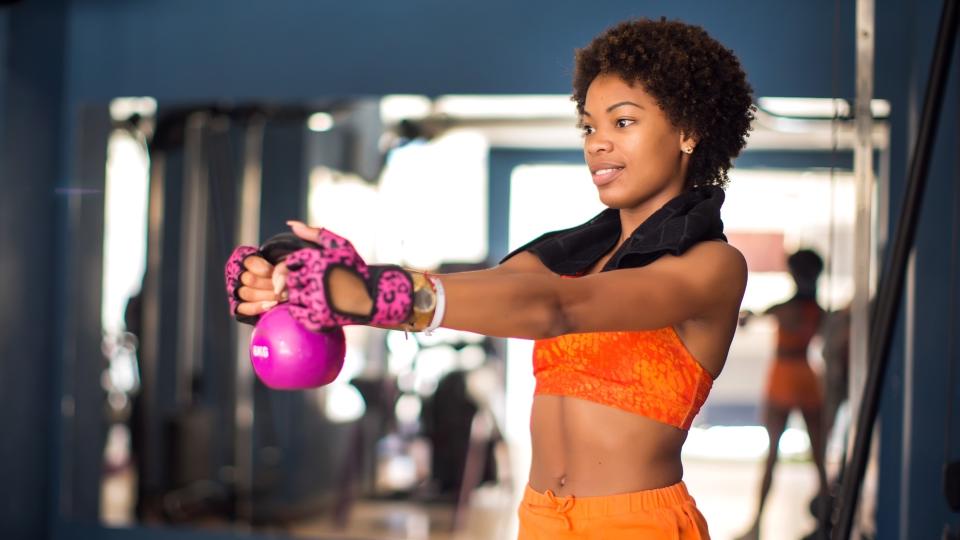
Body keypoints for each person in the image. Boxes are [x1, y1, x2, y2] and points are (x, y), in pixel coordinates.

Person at [225, 18, 754, 539]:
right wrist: (315, 283)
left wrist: (366, 293)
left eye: (623, 122)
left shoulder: (712, 265)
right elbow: (484, 293)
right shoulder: (572, 252)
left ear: (688, 131)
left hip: (637, 526)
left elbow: (557, 308)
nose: (596, 143)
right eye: (589, 126)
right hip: (540, 519)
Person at [737, 249, 829, 540]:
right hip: (807, 377)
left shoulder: (782, 309)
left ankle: (756, 525)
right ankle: (827, 520)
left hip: (783, 378)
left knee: (772, 455)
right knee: (819, 456)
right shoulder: (818, 312)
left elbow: (747, 320)